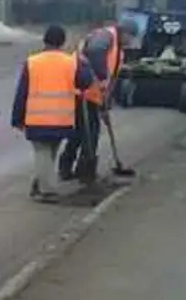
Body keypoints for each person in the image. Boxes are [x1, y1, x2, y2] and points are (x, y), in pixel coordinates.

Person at [10, 25, 95, 204]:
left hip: (37, 118)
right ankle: (39, 185)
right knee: (49, 153)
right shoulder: (71, 62)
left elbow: (22, 92)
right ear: (62, 42)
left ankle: (46, 190)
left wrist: (17, 118)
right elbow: (86, 83)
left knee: (42, 152)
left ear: (44, 40)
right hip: (62, 118)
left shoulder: (32, 62)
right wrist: (84, 63)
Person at [58, 19, 138, 185]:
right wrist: (100, 77)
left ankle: (69, 169)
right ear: (125, 33)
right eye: (131, 37)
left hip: (92, 94)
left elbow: (111, 78)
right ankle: (85, 172)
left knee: (82, 131)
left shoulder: (117, 46)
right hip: (81, 89)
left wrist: (105, 103)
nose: (131, 42)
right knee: (89, 132)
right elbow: (94, 52)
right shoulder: (106, 36)